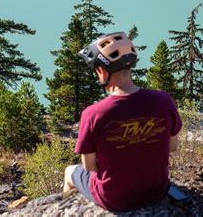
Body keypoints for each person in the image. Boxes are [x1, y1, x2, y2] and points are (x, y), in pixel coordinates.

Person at [63, 32, 182, 212]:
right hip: (156, 191)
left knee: (69, 172)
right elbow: (171, 146)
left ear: (102, 71)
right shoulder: (164, 101)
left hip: (113, 199)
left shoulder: (93, 114)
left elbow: (89, 166)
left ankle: (66, 209)